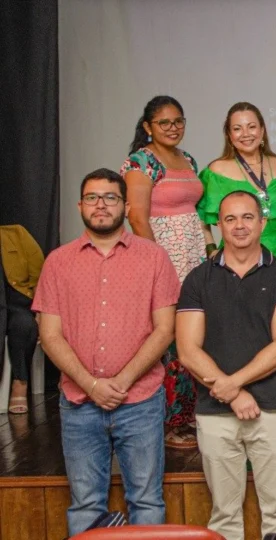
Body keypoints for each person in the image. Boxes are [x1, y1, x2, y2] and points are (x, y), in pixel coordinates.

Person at [33, 169, 179, 535]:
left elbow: (165, 329)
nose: (101, 205)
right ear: (80, 205)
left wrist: (121, 381)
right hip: (79, 403)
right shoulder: (57, 262)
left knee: (146, 500)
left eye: (110, 197)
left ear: (126, 206)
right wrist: (91, 385)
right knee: (85, 505)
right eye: (93, 197)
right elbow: (50, 335)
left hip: (141, 402)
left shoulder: (154, 258)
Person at [176, 190, 276, 540]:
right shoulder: (197, 279)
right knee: (224, 518)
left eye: (247, 217)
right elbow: (187, 350)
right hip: (215, 411)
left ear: (263, 222)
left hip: (271, 408)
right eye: (229, 219)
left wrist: (235, 384)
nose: (239, 226)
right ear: (219, 225)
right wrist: (232, 394)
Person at [120, 95, 205, 447]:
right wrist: (159, 264)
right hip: (161, 256)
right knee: (167, 337)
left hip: (193, 254)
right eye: (164, 123)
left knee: (193, 333)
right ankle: (170, 422)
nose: (173, 128)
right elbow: (137, 216)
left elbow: (196, 210)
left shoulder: (188, 159)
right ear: (148, 127)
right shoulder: (142, 161)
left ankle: (192, 413)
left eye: (178, 121)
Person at [198, 102, 276, 266]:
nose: (245, 134)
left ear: (262, 130)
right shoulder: (217, 170)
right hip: (236, 256)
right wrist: (210, 247)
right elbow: (199, 215)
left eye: (251, 127)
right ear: (229, 135)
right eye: (237, 129)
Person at [0, 224, 45, 413]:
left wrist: (42, 310)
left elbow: (41, 276)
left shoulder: (15, 234)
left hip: (16, 303)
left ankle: (20, 382)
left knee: (24, 325)